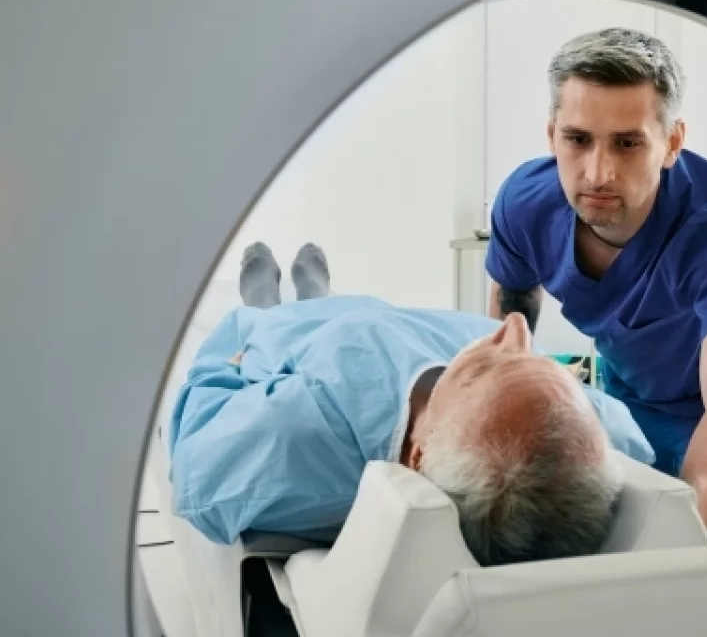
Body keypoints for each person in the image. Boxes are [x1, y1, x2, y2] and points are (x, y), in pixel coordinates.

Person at [485, 27, 707, 546]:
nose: (597, 173)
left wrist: (673, 542)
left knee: (694, 557)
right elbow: (513, 303)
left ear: (671, 143)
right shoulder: (524, 203)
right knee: (591, 534)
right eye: (577, 140)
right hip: (628, 387)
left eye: (627, 143)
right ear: (552, 135)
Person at [168, 242, 655, 566]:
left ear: (418, 455)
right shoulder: (599, 440)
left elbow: (196, 464)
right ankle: (316, 294)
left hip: (297, 346)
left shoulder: (300, 437)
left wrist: (225, 366)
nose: (515, 327)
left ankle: (264, 302)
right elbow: (628, 436)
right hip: (399, 323)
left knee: (268, 323)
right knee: (344, 307)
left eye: (485, 370)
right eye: (538, 362)